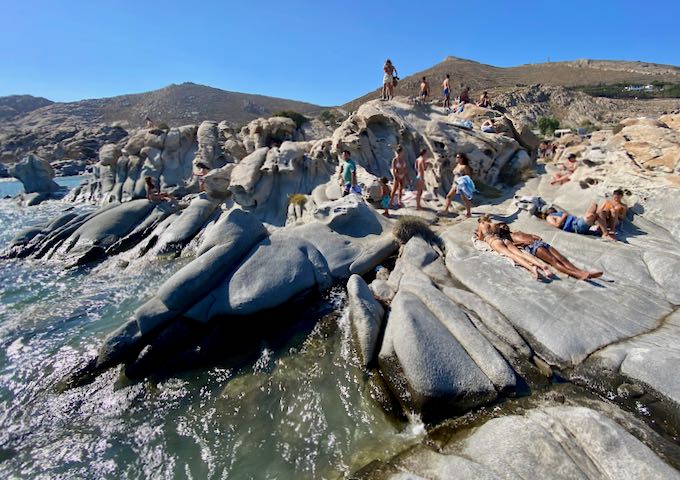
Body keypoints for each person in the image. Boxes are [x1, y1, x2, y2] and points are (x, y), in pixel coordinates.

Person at [507, 228, 604, 280]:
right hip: (534, 247)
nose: (503, 226)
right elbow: (512, 246)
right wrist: (523, 243)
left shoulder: (517, 231)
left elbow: (530, 235)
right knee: (553, 261)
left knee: (562, 258)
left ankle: (582, 272)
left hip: (541, 243)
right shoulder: (509, 239)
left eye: (503, 224)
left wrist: (534, 236)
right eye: (500, 226)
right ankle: (577, 274)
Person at [475, 216, 547, 281]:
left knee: (512, 256)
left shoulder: (482, 224)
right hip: (504, 240)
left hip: (494, 242)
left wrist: (479, 235)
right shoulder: (495, 224)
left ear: (481, 221)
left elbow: (480, 238)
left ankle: (532, 268)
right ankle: (541, 265)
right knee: (521, 254)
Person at [540, 204, 616, 241]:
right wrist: (564, 216)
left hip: (578, 222)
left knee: (597, 208)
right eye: (550, 208)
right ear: (547, 211)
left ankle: (606, 230)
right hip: (576, 226)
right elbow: (557, 225)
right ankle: (605, 234)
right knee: (593, 215)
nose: (552, 208)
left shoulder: (558, 213)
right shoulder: (549, 217)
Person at [440, 153, 474, 217]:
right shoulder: (458, 165)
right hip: (455, 184)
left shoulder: (465, 167)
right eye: (456, 157)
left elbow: (468, 176)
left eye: (458, 157)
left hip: (461, 185)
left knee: (465, 199)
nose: (456, 158)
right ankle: (445, 210)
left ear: (462, 159)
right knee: (449, 196)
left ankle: (469, 213)